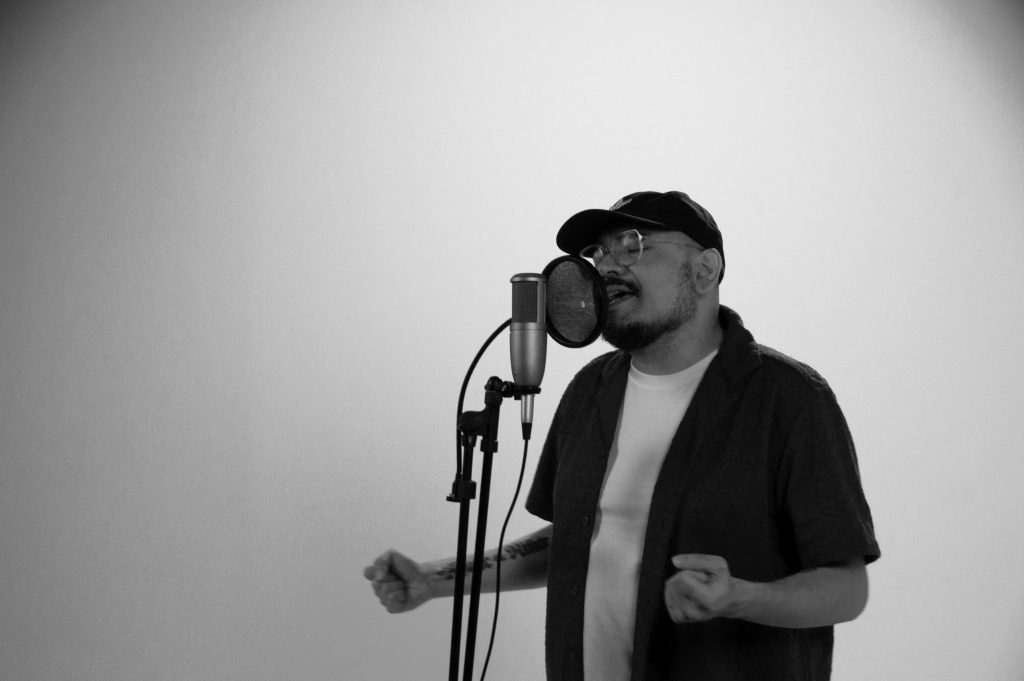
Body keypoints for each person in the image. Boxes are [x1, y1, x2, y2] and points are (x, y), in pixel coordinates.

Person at [365, 191, 880, 681]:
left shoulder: (789, 398)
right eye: (598, 252)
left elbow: (847, 587)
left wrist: (738, 597)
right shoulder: (591, 389)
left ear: (704, 270)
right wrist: (434, 578)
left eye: (632, 245)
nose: (606, 266)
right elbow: (579, 538)